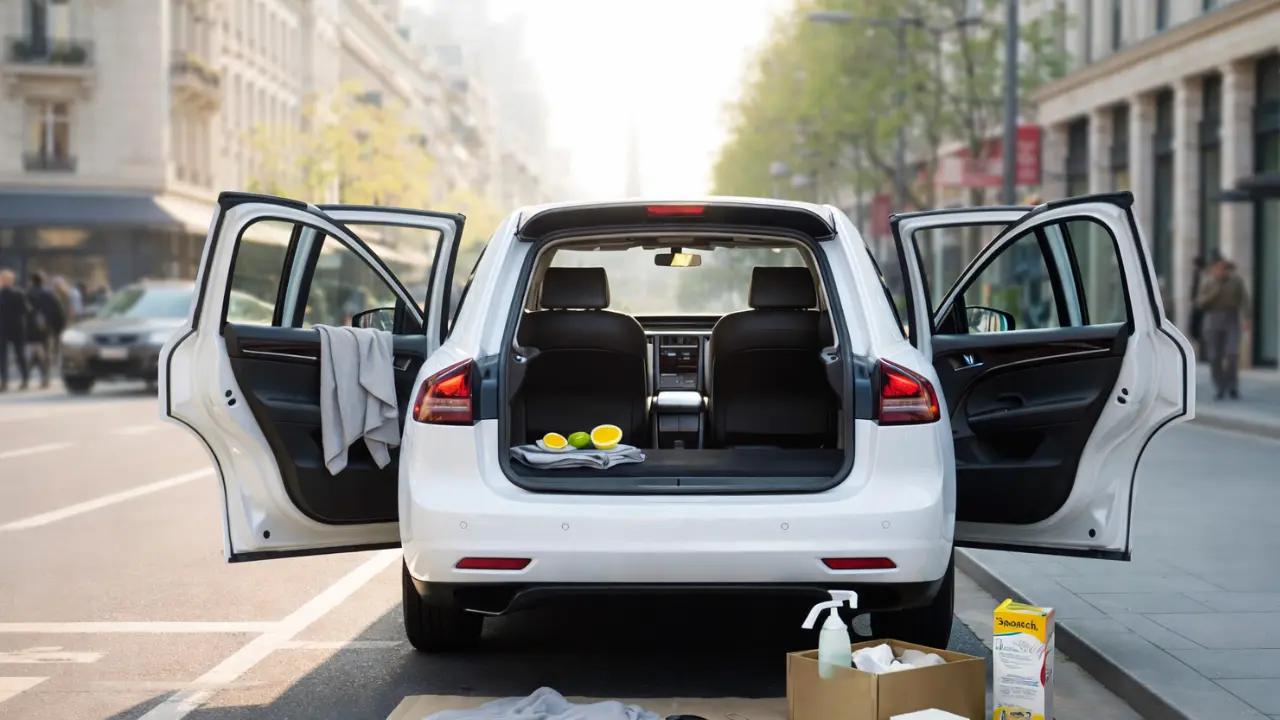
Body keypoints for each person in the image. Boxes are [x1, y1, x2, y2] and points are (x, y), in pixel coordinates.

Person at [1195, 257, 1252, 400]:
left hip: (1231, 318)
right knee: (1214, 356)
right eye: (1218, 268)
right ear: (1213, 269)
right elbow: (1200, 303)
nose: (1222, 271)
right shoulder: (1208, 283)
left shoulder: (1236, 282)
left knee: (1232, 354)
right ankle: (1220, 387)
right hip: (1212, 318)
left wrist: (1247, 318)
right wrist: (1215, 291)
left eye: (1224, 268)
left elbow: (1244, 300)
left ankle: (1233, 387)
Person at [24, 271, 66, 390]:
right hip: (45, 330)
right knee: (45, 354)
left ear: (32, 281)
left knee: (31, 353)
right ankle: (45, 378)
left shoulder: (27, 294)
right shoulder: (49, 295)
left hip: (30, 330)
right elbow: (58, 313)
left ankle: (26, 378)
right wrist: (58, 329)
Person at [0, 269, 30, 392]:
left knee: (3, 356)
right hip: (18, 327)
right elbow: (27, 310)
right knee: (20, 354)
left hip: (2, 328)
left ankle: (4, 381)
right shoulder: (19, 293)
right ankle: (25, 379)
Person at [1189, 255, 1205, 354]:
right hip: (1197, 306)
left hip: (1201, 307)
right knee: (1194, 330)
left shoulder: (1202, 275)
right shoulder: (1196, 274)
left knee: (1199, 329)